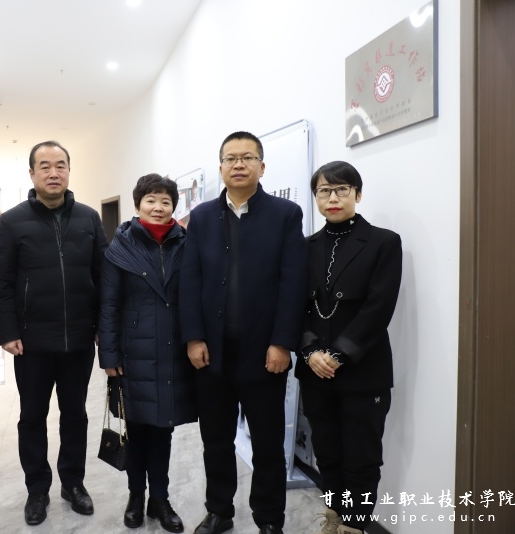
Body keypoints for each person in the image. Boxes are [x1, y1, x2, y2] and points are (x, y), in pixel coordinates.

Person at [179, 131, 308, 534]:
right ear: (220, 168)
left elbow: (293, 282)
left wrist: (282, 342)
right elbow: (190, 279)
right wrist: (194, 337)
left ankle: (269, 519)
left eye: (247, 157)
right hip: (212, 353)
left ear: (262, 167)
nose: (238, 164)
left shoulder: (285, 214)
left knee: (268, 445)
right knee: (216, 441)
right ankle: (219, 511)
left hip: (264, 352)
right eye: (231, 158)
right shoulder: (201, 217)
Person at [0, 140, 108, 526]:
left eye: (60, 165)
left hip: (79, 340)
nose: (53, 173)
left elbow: (103, 277)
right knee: (32, 417)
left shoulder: (89, 218)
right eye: (45, 166)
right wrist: (7, 332)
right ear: (32, 173)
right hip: (31, 343)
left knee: (75, 415)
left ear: (69, 171)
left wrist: (102, 327)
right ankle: (37, 488)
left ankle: (73, 483)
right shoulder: (11, 221)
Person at [296, 161, 402, 534]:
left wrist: (338, 355)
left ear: (358, 194)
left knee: (362, 457)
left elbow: (379, 308)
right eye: (324, 191)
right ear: (316, 197)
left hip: (363, 370)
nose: (333, 197)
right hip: (315, 372)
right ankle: (334, 517)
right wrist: (310, 351)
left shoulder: (383, 242)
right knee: (328, 454)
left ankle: (355, 526)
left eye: (342, 189)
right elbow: (295, 307)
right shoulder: (304, 247)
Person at [99, 174, 197, 533]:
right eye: (151, 200)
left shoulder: (186, 244)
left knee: (163, 429)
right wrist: (109, 356)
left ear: (174, 207)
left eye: (165, 201)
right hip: (133, 352)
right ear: (138, 205)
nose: (158, 207)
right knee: (137, 428)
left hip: (173, 349)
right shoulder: (120, 247)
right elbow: (109, 305)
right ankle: (136, 497)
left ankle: (160, 499)